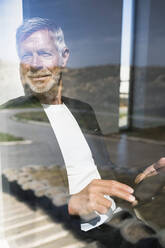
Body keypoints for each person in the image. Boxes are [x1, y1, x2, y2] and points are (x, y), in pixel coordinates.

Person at [4, 17, 136, 228]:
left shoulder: (83, 110)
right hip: (77, 232)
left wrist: (140, 178)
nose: (35, 64)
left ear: (64, 57)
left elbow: (104, 170)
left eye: (45, 53)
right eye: (27, 55)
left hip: (117, 219)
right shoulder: (10, 116)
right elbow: (11, 196)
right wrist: (71, 204)